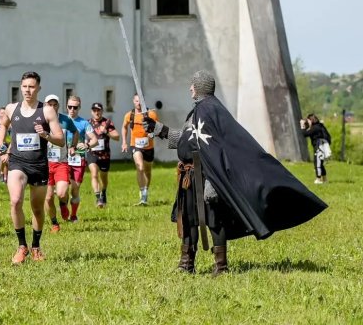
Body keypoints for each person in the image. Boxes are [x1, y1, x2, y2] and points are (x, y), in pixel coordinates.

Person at [145, 70, 327, 275]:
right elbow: (187, 139)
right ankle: (186, 263)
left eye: (192, 85)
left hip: (209, 175)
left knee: (214, 219)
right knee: (188, 218)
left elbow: (221, 146)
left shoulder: (212, 111)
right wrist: (159, 129)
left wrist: (213, 182)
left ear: (199, 88)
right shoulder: (197, 112)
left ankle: (220, 266)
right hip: (188, 176)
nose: (190, 88)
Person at [0, 72, 65, 264]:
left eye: (32, 87)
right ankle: (21, 247)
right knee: (15, 200)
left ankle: (36, 246)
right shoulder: (12, 109)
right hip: (17, 162)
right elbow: (3, 124)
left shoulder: (47, 111)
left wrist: (46, 135)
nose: (28, 90)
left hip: (38, 164)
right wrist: (2, 146)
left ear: (38, 89)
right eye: (25, 86)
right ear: (21, 87)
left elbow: (60, 140)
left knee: (37, 208)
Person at [42, 95, 80, 232]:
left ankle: (63, 204)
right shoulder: (41, 120)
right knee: (48, 197)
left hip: (61, 163)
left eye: (55, 104)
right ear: (45, 105)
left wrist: (73, 146)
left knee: (62, 193)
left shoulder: (65, 119)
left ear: (58, 105)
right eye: (49, 104)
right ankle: (54, 223)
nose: (52, 107)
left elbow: (75, 132)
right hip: (44, 164)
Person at [64, 96, 99, 220]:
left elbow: (95, 139)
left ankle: (73, 215)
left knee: (75, 189)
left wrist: (87, 145)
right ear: (66, 106)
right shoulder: (61, 120)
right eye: (70, 107)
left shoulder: (84, 123)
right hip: (63, 159)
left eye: (75, 107)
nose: (72, 109)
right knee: (62, 188)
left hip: (78, 160)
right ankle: (64, 209)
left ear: (79, 108)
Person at [121, 94, 159, 205]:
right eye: (136, 101)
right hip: (136, 146)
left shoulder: (151, 114)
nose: (138, 103)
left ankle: (146, 190)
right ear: (133, 101)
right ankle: (143, 194)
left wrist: (152, 133)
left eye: (140, 101)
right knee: (140, 168)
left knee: (147, 171)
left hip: (149, 147)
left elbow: (157, 128)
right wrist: (124, 142)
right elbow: (124, 127)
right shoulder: (129, 115)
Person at [86, 102, 118, 209]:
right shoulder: (87, 123)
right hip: (92, 153)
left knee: (103, 177)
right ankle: (98, 197)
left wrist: (106, 132)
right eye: (94, 111)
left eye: (98, 110)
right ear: (91, 112)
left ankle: (103, 191)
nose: (96, 112)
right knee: (94, 174)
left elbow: (117, 137)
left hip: (104, 155)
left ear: (102, 111)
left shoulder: (107, 122)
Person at [301, 114, 331, 184]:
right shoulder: (320, 126)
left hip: (318, 147)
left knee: (317, 163)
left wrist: (302, 125)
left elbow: (305, 134)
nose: (307, 122)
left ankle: (318, 179)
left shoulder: (315, 128)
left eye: (308, 120)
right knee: (320, 163)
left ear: (311, 120)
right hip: (322, 147)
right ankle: (324, 179)